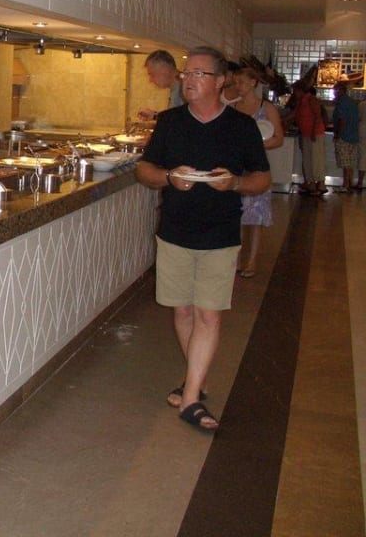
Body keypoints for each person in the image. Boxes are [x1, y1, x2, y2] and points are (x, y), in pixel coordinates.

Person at [136, 46, 270, 432]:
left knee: (208, 314)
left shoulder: (241, 127)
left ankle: (191, 398)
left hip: (220, 233)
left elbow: (262, 178)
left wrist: (235, 183)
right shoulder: (170, 122)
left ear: (219, 80)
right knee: (182, 311)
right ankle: (198, 379)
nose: (188, 80)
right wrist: (168, 178)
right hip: (175, 231)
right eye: (186, 73)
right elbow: (145, 169)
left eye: (198, 73)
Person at [232, 66, 284, 278]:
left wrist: (255, 147)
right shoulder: (234, 107)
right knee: (236, 214)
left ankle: (251, 261)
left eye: (242, 82)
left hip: (257, 166)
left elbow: (278, 138)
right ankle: (236, 259)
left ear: (253, 83)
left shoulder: (266, 108)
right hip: (238, 166)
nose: (238, 87)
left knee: (256, 216)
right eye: (236, 83)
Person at [293, 84, 327, 195]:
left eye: (296, 91)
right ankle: (311, 183)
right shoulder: (301, 102)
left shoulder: (311, 99)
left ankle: (321, 184)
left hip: (315, 133)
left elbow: (317, 115)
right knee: (307, 159)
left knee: (316, 158)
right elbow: (295, 115)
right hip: (305, 133)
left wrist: (313, 131)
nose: (294, 93)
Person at [137, 49, 183, 121]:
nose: (150, 80)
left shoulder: (185, 89)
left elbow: (181, 122)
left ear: (164, 69)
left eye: (152, 74)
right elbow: (175, 118)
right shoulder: (178, 87)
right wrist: (154, 116)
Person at [331, 81, 360, 192]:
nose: (334, 93)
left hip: (344, 136)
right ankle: (350, 183)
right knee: (351, 161)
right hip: (354, 135)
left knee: (345, 162)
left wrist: (338, 135)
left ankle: (345, 185)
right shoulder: (352, 102)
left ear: (341, 91)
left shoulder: (342, 103)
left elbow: (342, 121)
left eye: (335, 91)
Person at [356, 97, 366, 191]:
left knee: (362, 156)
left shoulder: (362, 104)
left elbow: (357, 117)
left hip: (362, 130)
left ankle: (360, 182)